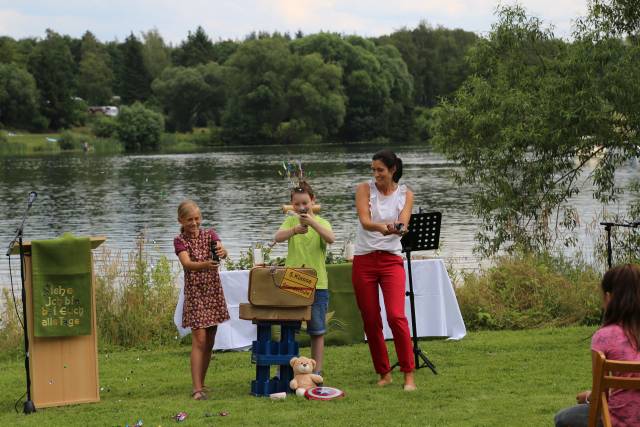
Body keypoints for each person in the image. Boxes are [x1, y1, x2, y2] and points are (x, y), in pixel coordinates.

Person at [352, 149, 417, 391]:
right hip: (364, 261)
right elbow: (366, 222)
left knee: (396, 316)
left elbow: (404, 222)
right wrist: (385, 228)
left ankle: (408, 374)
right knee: (371, 319)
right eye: (373, 170)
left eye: (380, 170)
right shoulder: (364, 189)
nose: (375, 174)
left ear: (393, 170)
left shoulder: (406, 194)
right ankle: (384, 372)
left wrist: (399, 228)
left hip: (391, 261)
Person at [555, 264, 640, 426]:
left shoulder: (603, 337)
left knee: (563, 418)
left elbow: (601, 395)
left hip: (617, 421)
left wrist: (588, 397)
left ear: (608, 297)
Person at [274, 181, 335, 376]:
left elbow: (331, 239)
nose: (301, 207)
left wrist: (312, 223)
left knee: (317, 331)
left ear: (313, 201)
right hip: (293, 281)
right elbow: (277, 237)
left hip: (318, 284)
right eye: (297, 204)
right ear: (292, 205)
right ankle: (287, 369)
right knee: (289, 329)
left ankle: (316, 372)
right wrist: (293, 230)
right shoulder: (291, 222)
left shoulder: (322, 222)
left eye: (305, 203)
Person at [174, 200, 230, 400]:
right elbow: (187, 264)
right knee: (199, 340)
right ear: (181, 220)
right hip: (196, 293)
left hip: (213, 291)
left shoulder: (210, 234)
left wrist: (223, 252)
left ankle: (202, 383)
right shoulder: (179, 240)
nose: (194, 223)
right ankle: (196, 389)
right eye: (189, 219)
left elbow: (221, 249)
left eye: (197, 218)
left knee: (210, 340)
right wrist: (207, 264)